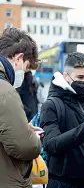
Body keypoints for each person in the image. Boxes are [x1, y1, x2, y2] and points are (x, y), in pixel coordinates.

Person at [40, 52, 84, 188]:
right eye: (80, 77)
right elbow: (51, 145)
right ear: (66, 76)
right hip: (63, 182)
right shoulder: (51, 105)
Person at [0, 27, 42, 188]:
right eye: (25, 69)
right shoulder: (5, 91)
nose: (24, 75)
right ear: (18, 58)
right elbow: (25, 146)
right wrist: (34, 138)